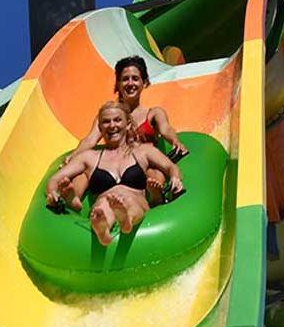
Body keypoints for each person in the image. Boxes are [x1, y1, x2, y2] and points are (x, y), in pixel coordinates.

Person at [46, 101, 184, 246]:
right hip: (104, 200)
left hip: (135, 200)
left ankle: (126, 219)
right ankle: (103, 229)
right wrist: (53, 192)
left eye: (117, 120)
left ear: (128, 124)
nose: (112, 125)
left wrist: (175, 179)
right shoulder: (89, 158)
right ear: (100, 128)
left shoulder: (143, 151)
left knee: (129, 202)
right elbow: (55, 179)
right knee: (103, 205)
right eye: (106, 122)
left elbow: (170, 167)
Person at [64, 55, 187, 205]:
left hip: (142, 166)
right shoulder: (108, 116)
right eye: (125, 79)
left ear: (144, 82)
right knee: (84, 174)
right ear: (118, 84)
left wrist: (175, 141)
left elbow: (166, 128)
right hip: (113, 165)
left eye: (135, 79)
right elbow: (90, 139)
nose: (130, 83)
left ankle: (156, 197)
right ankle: (73, 199)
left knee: (154, 172)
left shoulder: (153, 113)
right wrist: (74, 155)